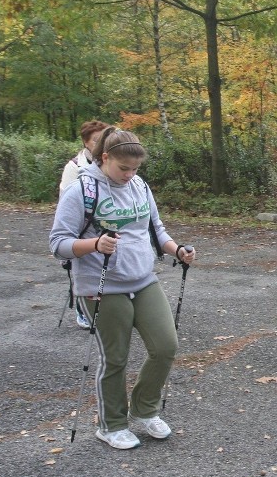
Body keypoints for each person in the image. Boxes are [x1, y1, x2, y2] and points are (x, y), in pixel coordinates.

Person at [49, 127, 197, 450]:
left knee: (165, 345)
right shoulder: (81, 191)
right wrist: (94, 244)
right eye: (123, 168)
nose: (129, 175)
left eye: (135, 169)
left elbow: (155, 229)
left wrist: (177, 250)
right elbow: (58, 243)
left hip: (143, 280)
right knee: (115, 358)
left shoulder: (140, 186)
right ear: (105, 158)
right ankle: (111, 424)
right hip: (100, 286)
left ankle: (144, 410)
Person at [59, 120, 110, 329]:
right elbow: (66, 199)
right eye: (95, 140)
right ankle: (82, 309)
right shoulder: (75, 166)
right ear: (86, 142)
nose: (100, 144)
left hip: (105, 222)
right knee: (83, 267)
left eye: (103, 139)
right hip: (82, 225)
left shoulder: (110, 162)